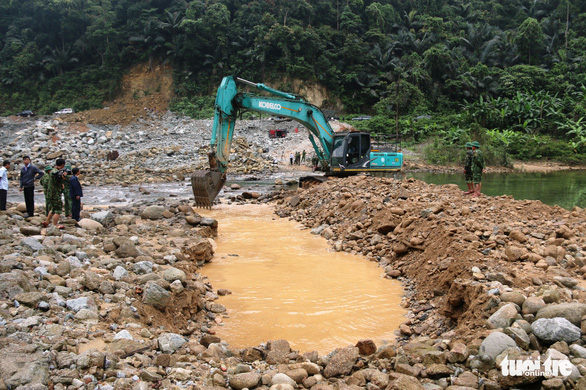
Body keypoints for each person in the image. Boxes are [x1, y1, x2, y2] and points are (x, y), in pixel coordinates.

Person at [42, 158, 68, 229]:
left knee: (53, 208)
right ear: (62, 165)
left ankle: (47, 221)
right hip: (55, 193)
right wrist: (64, 176)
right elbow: (59, 178)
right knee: (58, 209)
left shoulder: (52, 171)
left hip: (50, 193)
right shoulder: (56, 172)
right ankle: (55, 224)